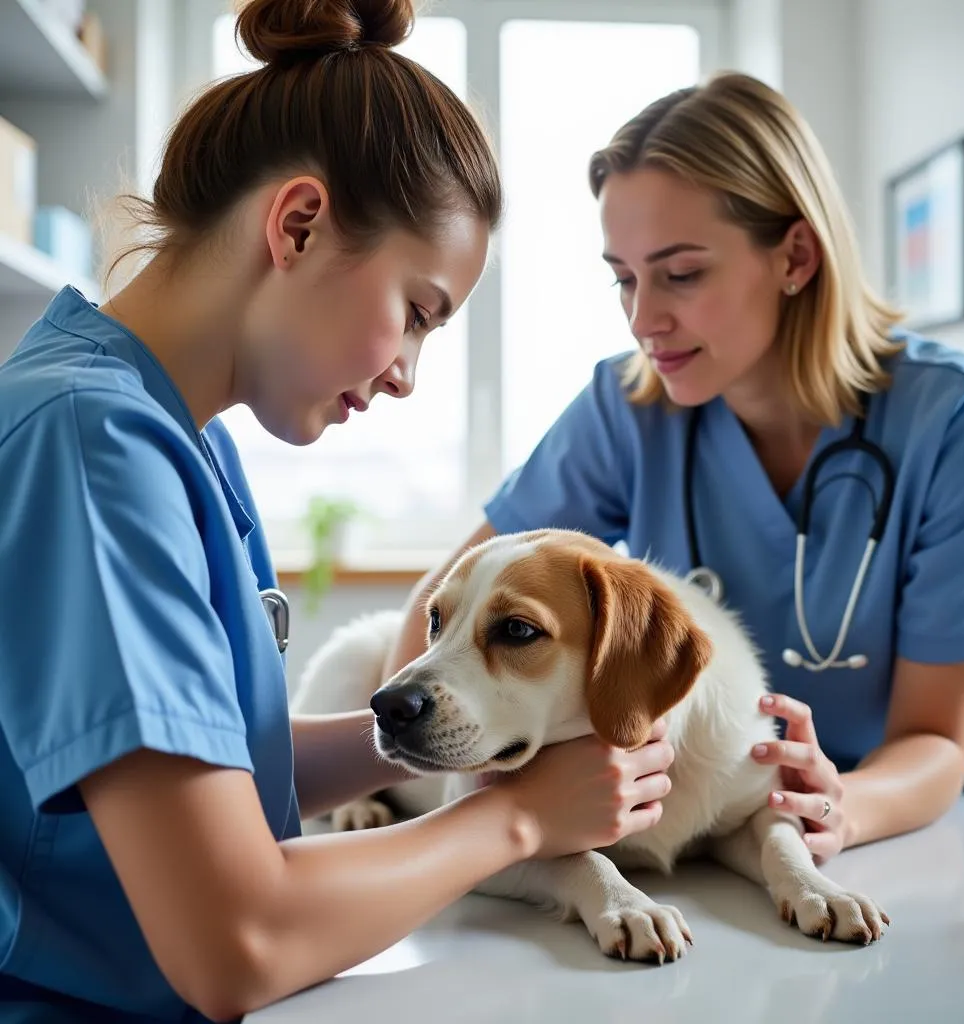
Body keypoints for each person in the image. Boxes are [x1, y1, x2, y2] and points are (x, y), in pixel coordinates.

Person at [0, 1, 677, 1021]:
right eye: (416, 313)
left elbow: (224, 774)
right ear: (299, 223)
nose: (407, 374)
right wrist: (519, 821)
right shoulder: (93, 447)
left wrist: (462, 727)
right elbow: (238, 938)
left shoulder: (172, 438)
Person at [386, 72, 964, 866]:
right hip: (706, 830)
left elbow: (933, 740)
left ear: (795, 255)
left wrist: (824, 809)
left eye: (681, 273)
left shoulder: (959, 423)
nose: (643, 318)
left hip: (933, 828)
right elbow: (442, 608)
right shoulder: (626, 408)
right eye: (624, 277)